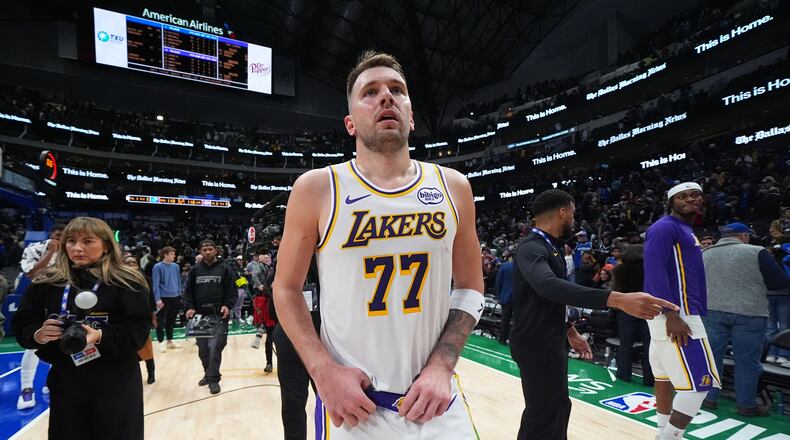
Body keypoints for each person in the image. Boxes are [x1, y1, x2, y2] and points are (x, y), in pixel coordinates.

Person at [273, 50, 485, 439]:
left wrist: (443, 366)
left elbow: (471, 287)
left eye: (397, 90)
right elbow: (285, 289)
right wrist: (321, 370)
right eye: (370, 91)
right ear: (350, 123)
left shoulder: (453, 187)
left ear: (411, 114)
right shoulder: (318, 188)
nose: (386, 97)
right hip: (355, 408)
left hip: (436, 399)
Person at [510, 189, 676, 440]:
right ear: (563, 212)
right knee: (543, 412)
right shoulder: (530, 247)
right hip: (535, 342)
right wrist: (616, 299)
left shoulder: (551, 246)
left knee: (559, 407)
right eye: (573, 214)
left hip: (550, 339)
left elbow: (547, 300)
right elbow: (547, 286)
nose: (574, 220)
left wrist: (569, 330)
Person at [12, 217, 151, 439]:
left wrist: (101, 336)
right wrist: (38, 334)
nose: (77, 248)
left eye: (88, 241)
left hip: (116, 380)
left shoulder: (128, 282)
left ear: (106, 245)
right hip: (67, 380)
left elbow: (138, 330)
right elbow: (23, 321)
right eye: (71, 241)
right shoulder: (48, 281)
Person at [643, 182, 722, 440]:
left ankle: (661, 433)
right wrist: (672, 314)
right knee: (701, 384)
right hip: (677, 313)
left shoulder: (685, 229)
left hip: (674, 312)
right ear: (671, 202)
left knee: (664, 378)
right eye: (683, 196)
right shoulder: (666, 227)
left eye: (695, 195)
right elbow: (654, 270)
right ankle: (670, 437)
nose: (690, 199)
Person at [701, 223, 789, 415]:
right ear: (744, 236)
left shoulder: (705, 254)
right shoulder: (757, 252)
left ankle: (709, 398)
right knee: (747, 361)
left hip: (713, 310)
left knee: (711, 357)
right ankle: (746, 404)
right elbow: (779, 282)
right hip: (750, 312)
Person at [16, 223, 65, 410]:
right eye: (57, 235)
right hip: (36, 299)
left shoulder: (71, 253)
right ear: (51, 234)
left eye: (63, 236)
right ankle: (27, 389)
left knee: (61, 342)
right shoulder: (33, 249)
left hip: (62, 300)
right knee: (33, 346)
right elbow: (31, 273)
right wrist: (49, 254)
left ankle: (49, 383)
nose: (59, 240)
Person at [183, 239, 237, 395]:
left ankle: (213, 380)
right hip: (199, 315)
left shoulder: (225, 269)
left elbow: (232, 290)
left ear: (216, 251)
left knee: (215, 348)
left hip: (218, 314)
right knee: (203, 350)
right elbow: (188, 292)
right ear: (200, 252)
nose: (207, 252)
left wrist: (227, 305)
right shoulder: (195, 270)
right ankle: (208, 373)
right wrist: (189, 307)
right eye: (204, 249)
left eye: (210, 249)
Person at [611, 245, 655, 386]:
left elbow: (615, 290)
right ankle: (650, 379)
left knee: (625, 344)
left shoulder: (618, 270)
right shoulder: (650, 269)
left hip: (626, 309)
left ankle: (624, 374)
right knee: (650, 346)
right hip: (648, 309)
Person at [126, 256, 157, 384]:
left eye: (134, 262)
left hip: (143, 317)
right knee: (129, 349)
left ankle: (151, 373)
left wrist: (153, 315)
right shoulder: (118, 280)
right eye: (128, 262)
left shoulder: (147, 280)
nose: (132, 264)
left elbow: (151, 298)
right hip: (125, 318)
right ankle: (133, 376)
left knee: (146, 347)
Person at [152, 246, 182, 353]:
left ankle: (170, 340)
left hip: (175, 297)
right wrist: (157, 299)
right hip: (163, 298)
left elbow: (179, 281)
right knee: (160, 321)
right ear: (165, 255)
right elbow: (155, 284)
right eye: (171, 254)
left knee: (171, 320)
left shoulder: (176, 266)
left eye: (174, 254)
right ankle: (161, 342)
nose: (174, 256)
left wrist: (179, 294)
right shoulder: (157, 267)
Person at [251, 253, 276, 373]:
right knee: (270, 334)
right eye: (265, 257)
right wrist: (260, 286)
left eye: (268, 257)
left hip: (273, 301)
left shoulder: (269, 269)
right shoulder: (261, 268)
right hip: (266, 302)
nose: (267, 259)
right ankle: (269, 362)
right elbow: (255, 277)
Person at [495, 252, 514, 344]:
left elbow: (498, 282)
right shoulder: (524, 268)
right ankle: (514, 341)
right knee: (517, 321)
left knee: (505, 320)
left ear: (510, 257)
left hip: (505, 297)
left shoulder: (505, 266)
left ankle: (502, 339)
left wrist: (497, 294)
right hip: (519, 299)